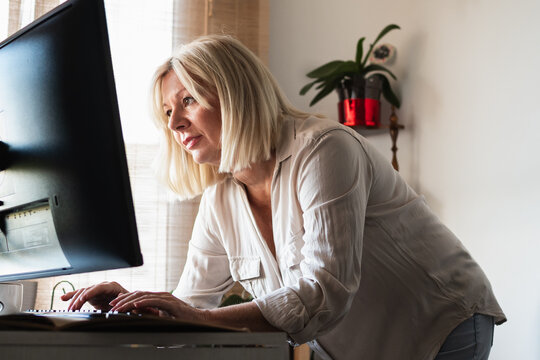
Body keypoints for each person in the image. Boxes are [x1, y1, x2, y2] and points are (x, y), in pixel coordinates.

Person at [62, 35, 506, 359]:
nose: (175, 122)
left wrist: (198, 318)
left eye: (189, 100)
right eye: (166, 112)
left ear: (236, 94)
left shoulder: (324, 148)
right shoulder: (220, 198)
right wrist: (131, 307)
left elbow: (323, 292)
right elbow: (192, 304)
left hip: (441, 325)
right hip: (358, 345)